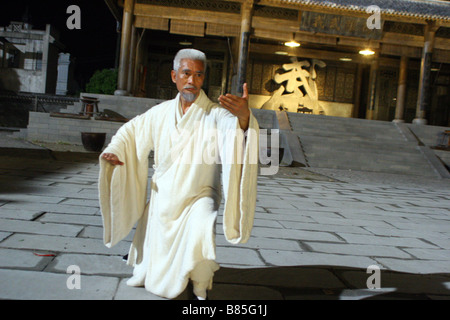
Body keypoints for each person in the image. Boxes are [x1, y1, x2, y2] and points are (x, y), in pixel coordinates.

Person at [98, 48, 259, 300]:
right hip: (165, 195)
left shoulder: (215, 114)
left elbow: (234, 129)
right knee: (154, 229)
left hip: (200, 195)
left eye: (198, 75)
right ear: (174, 76)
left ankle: (199, 284)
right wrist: (116, 151)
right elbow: (131, 132)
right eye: (186, 73)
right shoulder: (160, 113)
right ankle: (156, 269)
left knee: (201, 229)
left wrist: (244, 118)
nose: (192, 81)